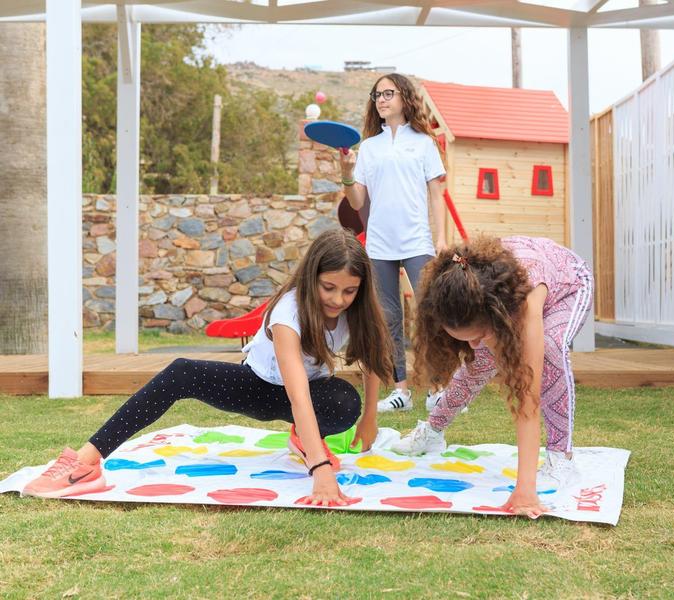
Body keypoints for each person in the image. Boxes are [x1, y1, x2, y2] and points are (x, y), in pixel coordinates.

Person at [24, 229, 394, 507]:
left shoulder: (358, 310)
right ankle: (87, 459)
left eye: (349, 292)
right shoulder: (288, 312)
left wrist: (370, 418)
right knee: (181, 370)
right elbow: (296, 394)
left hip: (309, 397)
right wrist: (320, 471)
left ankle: (303, 438)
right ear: (312, 276)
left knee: (346, 401)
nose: (337, 299)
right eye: (329, 288)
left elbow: (374, 360)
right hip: (258, 386)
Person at [392, 236, 594, 518]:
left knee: (550, 347)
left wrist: (525, 488)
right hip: (506, 299)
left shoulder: (524, 305)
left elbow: (528, 399)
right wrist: (482, 341)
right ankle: (433, 431)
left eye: (479, 335)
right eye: (467, 339)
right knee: (478, 363)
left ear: (495, 315)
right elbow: (477, 351)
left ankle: (561, 456)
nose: (473, 344)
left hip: (568, 283)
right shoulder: (465, 289)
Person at [339, 73, 447, 413]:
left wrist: (442, 238)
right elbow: (357, 202)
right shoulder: (369, 147)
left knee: (430, 315)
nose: (382, 100)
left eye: (389, 93)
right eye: (377, 95)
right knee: (388, 319)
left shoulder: (424, 143)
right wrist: (346, 172)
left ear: (404, 98)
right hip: (380, 246)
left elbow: (436, 194)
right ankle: (400, 390)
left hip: (418, 242)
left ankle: (436, 388)